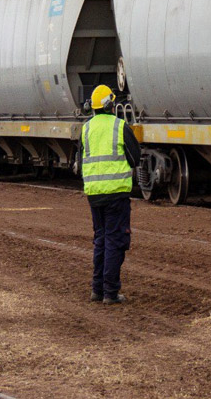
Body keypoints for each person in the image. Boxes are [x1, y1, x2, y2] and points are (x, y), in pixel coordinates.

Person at [79, 84, 140, 305]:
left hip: (94, 195)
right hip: (116, 194)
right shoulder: (120, 126)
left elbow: (81, 160)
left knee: (101, 239)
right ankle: (110, 292)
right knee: (115, 241)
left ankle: (97, 289)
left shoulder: (85, 129)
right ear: (109, 105)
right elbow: (135, 158)